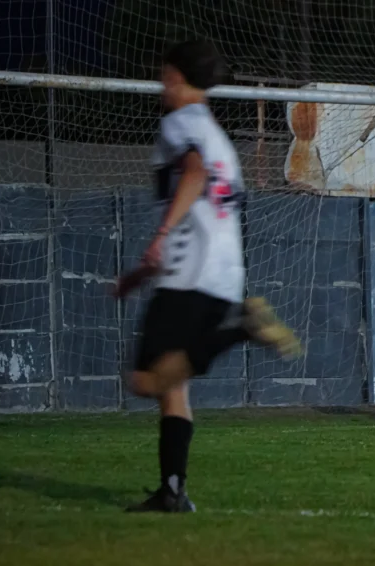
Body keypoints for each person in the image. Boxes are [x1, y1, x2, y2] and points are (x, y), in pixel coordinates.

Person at [113, 39, 300, 513]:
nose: (161, 85)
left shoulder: (179, 123)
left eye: (163, 76)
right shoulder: (219, 137)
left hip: (187, 271)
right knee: (173, 384)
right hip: (222, 271)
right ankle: (172, 491)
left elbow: (194, 175)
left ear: (175, 77)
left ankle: (238, 328)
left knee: (144, 380)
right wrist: (142, 272)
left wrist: (161, 235)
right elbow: (206, 206)